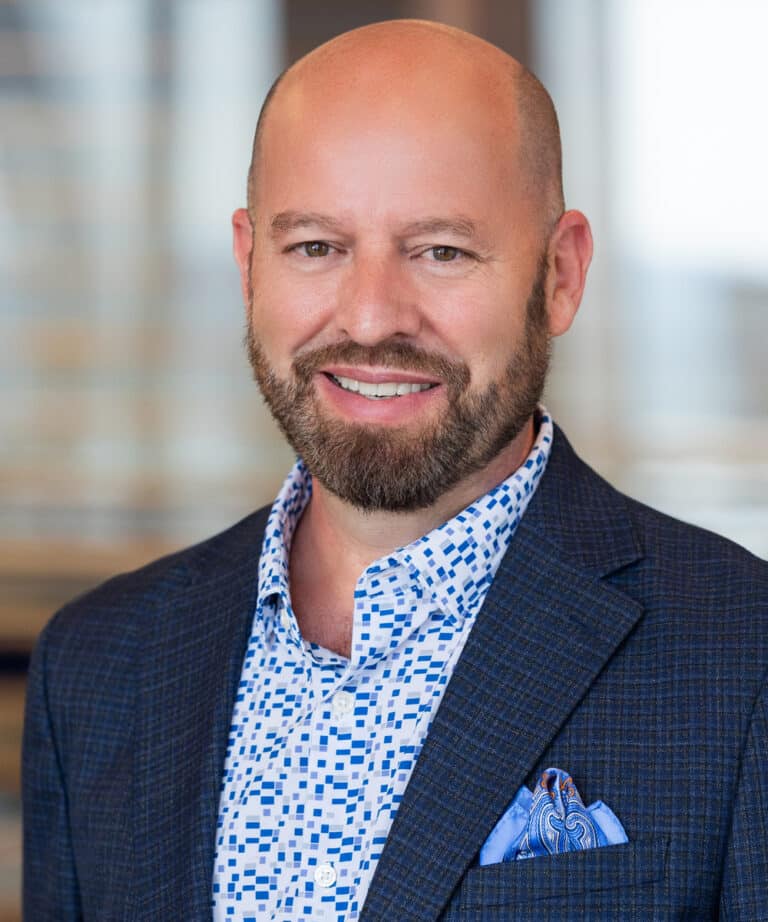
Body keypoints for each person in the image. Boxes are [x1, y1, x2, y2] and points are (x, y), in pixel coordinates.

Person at [22, 19, 768, 922]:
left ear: (561, 274)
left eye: (441, 251)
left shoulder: (742, 656)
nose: (372, 317)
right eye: (315, 247)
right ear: (248, 263)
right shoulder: (97, 667)